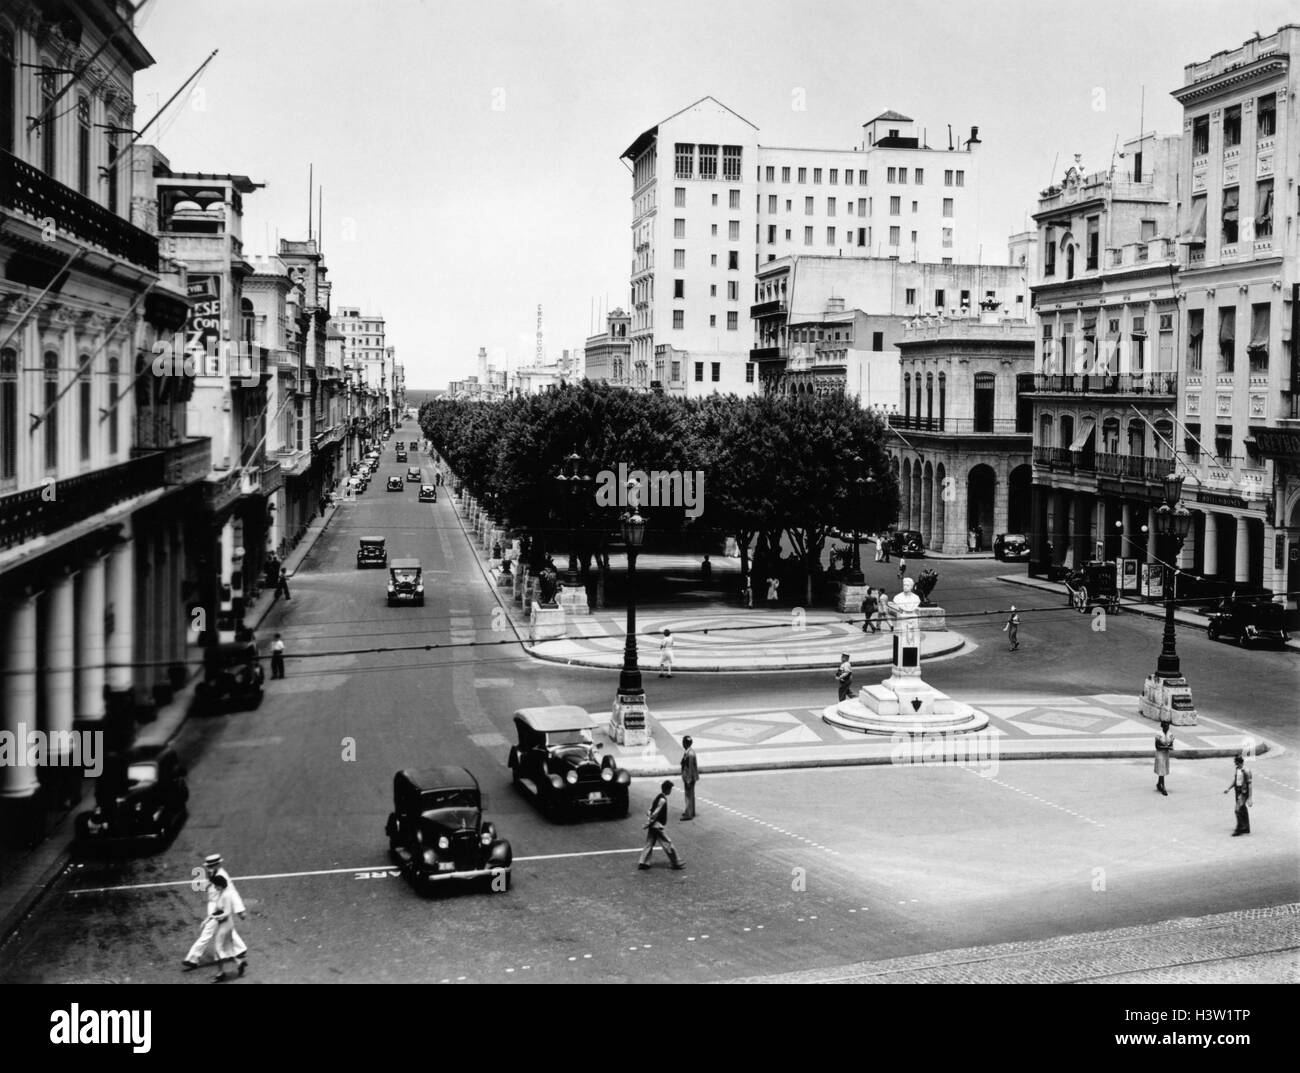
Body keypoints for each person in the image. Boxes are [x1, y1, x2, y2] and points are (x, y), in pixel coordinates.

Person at [183, 853, 247, 973]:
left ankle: (193, 958)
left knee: (208, 932)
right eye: (208, 865)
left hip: (219, 908)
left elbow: (232, 892)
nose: (209, 867)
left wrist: (240, 909)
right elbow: (210, 885)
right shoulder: (213, 873)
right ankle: (240, 951)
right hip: (214, 905)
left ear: (218, 864)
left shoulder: (223, 875)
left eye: (212, 865)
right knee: (226, 931)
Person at [637, 781, 684, 870]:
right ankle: (676, 862)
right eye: (670, 789)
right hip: (657, 825)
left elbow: (650, 810)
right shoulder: (662, 799)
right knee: (667, 842)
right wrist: (650, 822)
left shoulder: (658, 797)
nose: (671, 791)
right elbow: (656, 813)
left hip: (653, 824)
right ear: (667, 789)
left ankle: (643, 862)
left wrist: (649, 820)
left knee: (649, 843)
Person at [208, 874, 246, 983]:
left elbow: (227, 912)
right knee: (228, 947)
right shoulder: (222, 894)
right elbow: (218, 910)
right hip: (226, 924)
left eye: (215, 885)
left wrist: (215, 917)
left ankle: (220, 973)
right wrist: (209, 918)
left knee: (218, 949)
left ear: (220, 885)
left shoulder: (226, 895)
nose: (214, 887)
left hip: (225, 925)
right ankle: (239, 963)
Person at [1224, 754, 1252, 835]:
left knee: (1237, 810)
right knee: (1243, 809)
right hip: (1238, 791)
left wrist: (1250, 797)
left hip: (1244, 792)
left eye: (1235, 762)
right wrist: (1228, 788)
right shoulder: (1237, 769)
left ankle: (1239, 828)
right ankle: (1246, 827)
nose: (1234, 763)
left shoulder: (1246, 771)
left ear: (1239, 762)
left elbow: (1250, 785)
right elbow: (1235, 780)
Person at [679, 736, 699, 820]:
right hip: (690, 776)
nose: (682, 744)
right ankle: (691, 811)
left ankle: (689, 814)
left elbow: (690, 768)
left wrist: (688, 779)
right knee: (690, 795)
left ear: (686, 743)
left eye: (683, 742)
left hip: (689, 777)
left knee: (688, 795)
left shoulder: (690, 754)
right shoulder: (689, 751)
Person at [1153, 720, 1174, 796]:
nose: (1166, 727)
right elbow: (1157, 746)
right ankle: (1163, 786)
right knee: (1161, 769)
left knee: (1163, 769)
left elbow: (1171, 745)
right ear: (1162, 726)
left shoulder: (1170, 734)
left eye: (1168, 726)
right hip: (1160, 753)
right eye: (1165, 726)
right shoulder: (1158, 734)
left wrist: (1167, 747)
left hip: (1166, 754)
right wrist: (1166, 747)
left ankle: (1159, 783)